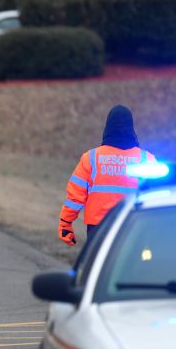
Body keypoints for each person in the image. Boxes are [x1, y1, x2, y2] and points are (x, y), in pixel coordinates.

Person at [59, 105, 156, 245]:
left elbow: (75, 196)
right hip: (133, 225)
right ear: (131, 127)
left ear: (107, 127)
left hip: (98, 227)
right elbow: (158, 195)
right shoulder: (146, 159)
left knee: (99, 265)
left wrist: (65, 223)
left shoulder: (91, 158)